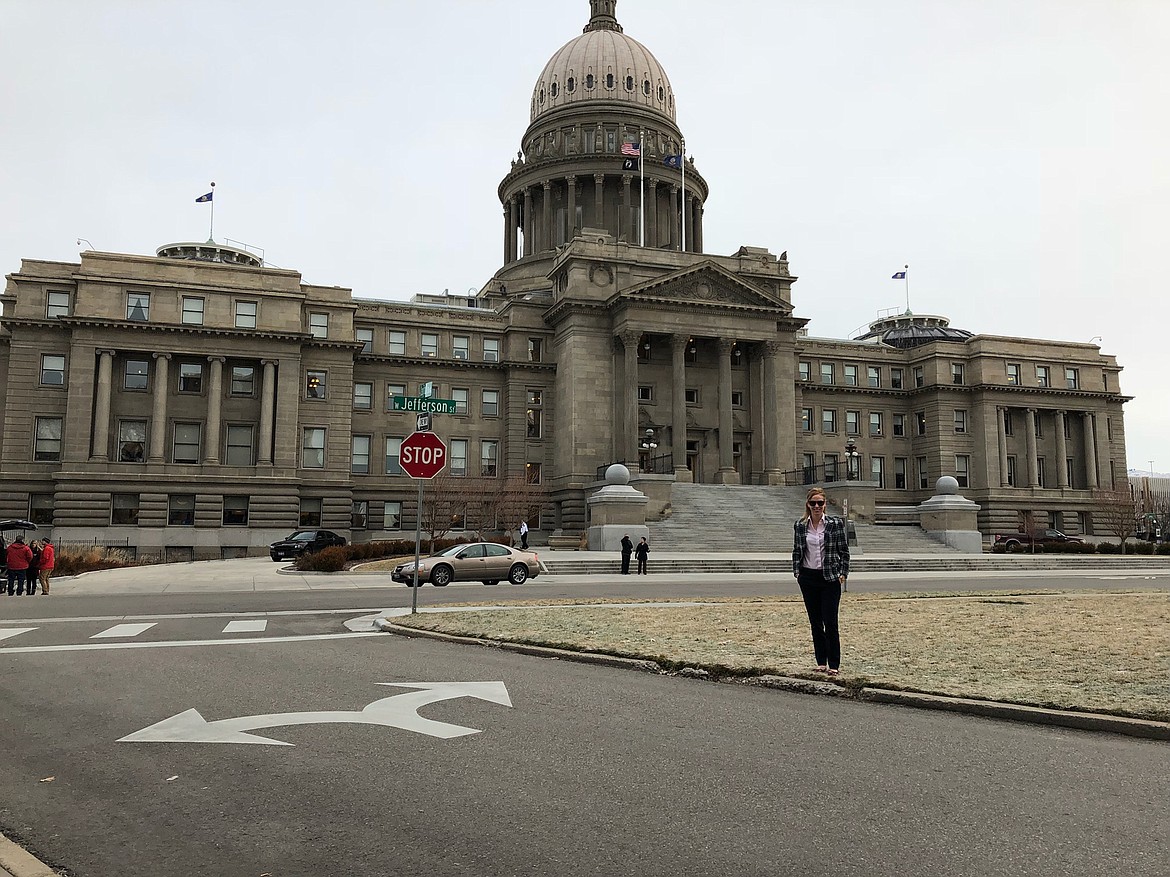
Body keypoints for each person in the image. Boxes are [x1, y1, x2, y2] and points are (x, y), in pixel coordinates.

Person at [791, 487, 849, 676]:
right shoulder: (800, 526)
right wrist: (797, 572)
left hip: (830, 578)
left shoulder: (835, 524)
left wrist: (843, 573)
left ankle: (834, 664)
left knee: (830, 622)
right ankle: (821, 661)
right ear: (808, 504)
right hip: (808, 577)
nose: (817, 506)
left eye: (820, 503)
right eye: (813, 503)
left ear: (825, 505)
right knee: (815, 622)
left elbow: (844, 552)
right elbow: (797, 551)